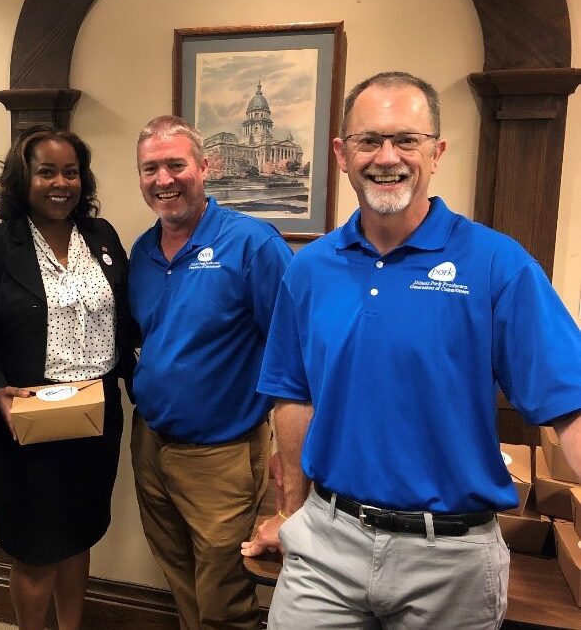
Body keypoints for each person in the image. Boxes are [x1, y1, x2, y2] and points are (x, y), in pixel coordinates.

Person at [241, 71, 581, 628]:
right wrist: (289, 514)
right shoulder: (309, 269)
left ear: (436, 152)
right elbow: (294, 397)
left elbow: (569, 404)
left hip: (449, 559)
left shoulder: (498, 264)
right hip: (327, 542)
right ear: (342, 153)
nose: (386, 157)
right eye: (369, 140)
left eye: (406, 140)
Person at [0, 126, 135, 630]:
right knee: (36, 551)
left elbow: (125, 318)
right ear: (24, 179)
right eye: (47, 172)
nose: (61, 183)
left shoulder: (102, 237)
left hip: (96, 412)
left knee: (78, 536)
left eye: (71, 172)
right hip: (28, 417)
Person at [128, 115, 293, 630]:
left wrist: (291, 456)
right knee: (179, 577)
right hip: (150, 442)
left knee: (223, 599)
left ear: (204, 168)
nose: (163, 179)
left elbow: (295, 353)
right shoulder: (142, 252)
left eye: (175, 165)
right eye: (150, 168)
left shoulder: (253, 245)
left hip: (221, 455)